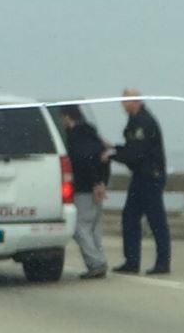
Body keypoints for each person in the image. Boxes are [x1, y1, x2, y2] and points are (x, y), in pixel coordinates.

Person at [103, 89, 171, 275]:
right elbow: (131, 148)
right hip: (140, 176)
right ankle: (131, 261)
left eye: (125, 101)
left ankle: (163, 262)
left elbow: (137, 153)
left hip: (150, 176)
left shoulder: (144, 121)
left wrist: (112, 156)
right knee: (130, 218)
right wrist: (114, 149)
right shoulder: (134, 121)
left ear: (135, 101)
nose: (122, 105)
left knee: (156, 220)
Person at [61, 105, 110, 279]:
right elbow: (104, 158)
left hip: (83, 187)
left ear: (67, 117)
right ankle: (98, 260)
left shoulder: (75, 137)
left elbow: (83, 161)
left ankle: (96, 262)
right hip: (97, 186)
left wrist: (94, 183)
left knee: (78, 226)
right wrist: (102, 183)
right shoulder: (93, 135)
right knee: (94, 227)